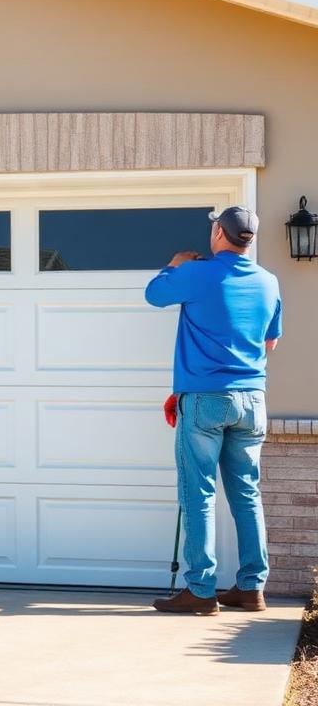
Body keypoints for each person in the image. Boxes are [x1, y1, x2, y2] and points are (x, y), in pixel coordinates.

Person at [145, 207, 282, 615]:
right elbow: (270, 343)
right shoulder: (268, 282)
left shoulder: (197, 272)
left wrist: (174, 264)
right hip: (252, 400)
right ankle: (251, 587)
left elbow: (154, 294)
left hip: (205, 399)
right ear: (249, 239)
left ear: (219, 232)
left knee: (198, 493)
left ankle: (201, 591)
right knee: (246, 495)